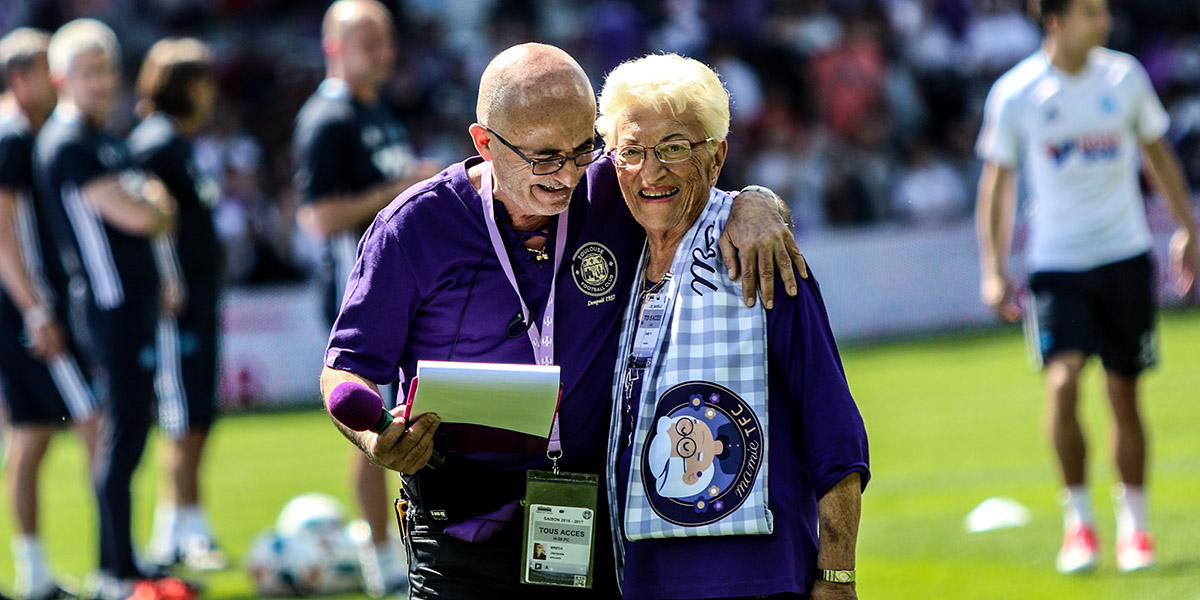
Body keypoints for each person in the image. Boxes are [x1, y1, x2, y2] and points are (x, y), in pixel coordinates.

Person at [320, 42, 803, 600]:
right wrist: (375, 438)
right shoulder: (411, 228)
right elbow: (345, 370)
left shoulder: (611, 193)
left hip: (595, 517)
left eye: (581, 150)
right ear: (484, 143)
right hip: (459, 528)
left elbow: (704, 194)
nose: (568, 175)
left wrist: (757, 203)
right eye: (544, 157)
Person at [598, 52, 869, 600]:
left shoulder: (757, 252)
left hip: (757, 575)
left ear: (717, 157)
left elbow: (832, 425)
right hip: (640, 577)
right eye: (631, 152)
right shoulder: (607, 260)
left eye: (675, 148)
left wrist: (837, 574)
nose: (651, 172)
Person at [975, 0, 1199, 574]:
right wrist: (994, 266)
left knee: (1125, 394)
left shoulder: (1124, 77)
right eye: (1091, 13)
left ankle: (1137, 530)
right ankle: (1079, 525)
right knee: (1064, 379)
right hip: (1056, 264)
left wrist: (1187, 229)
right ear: (1055, 20)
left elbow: (1158, 156)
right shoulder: (1017, 92)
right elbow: (997, 186)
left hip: (1125, 256)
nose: (1105, 23)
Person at [34, 19, 188, 599]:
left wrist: (151, 206)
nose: (102, 82)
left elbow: (153, 207)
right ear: (60, 78)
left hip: (132, 303)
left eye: (106, 70)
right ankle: (114, 569)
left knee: (131, 433)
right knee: (120, 436)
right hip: (108, 306)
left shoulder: (109, 138)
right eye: (89, 71)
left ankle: (124, 561)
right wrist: (150, 206)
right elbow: (141, 214)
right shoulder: (68, 141)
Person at [291, 2, 439, 591]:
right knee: (369, 420)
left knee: (405, 414)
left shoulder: (376, 110)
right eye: (367, 41)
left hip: (396, 285)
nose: (382, 51)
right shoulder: (327, 119)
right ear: (333, 47)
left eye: (385, 39)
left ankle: (401, 549)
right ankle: (383, 562)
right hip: (353, 290)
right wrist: (402, 187)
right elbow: (316, 219)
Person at [0, 27, 99, 600]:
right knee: (97, 429)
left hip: (21, 311)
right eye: (46, 70)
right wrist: (37, 312)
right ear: (21, 79)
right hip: (28, 313)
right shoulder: (15, 136)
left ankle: (33, 574)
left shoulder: (23, 133)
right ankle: (117, 564)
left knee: (30, 439)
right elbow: (4, 232)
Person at [128, 37, 228, 572]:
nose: (211, 93)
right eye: (204, 80)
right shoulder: (155, 143)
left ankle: (174, 530)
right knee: (183, 418)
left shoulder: (180, 143)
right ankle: (190, 529)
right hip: (177, 301)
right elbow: (149, 219)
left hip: (199, 296)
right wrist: (166, 280)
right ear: (185, 85)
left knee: (197, 416)